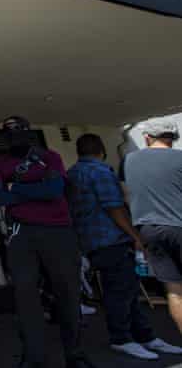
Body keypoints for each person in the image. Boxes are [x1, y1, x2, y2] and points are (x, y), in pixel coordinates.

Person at [0, 115, 93, 368]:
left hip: (58, 231)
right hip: (21, 233)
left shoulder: (49, 157)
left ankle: (75, 355)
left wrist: (13, 188)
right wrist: (33, 188)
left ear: (28, 131)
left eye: (20, 130)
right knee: (25, 297)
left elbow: (54, 190)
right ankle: (34, 357)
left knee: (68, 293)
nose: (15, 135)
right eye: (10, 131)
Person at [68, 133, 182, 360]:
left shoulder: (72, 173)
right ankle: (122, 338)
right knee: (120, 291)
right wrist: (135, 235)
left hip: (90, 240)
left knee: (126, 288)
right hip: (111, 238)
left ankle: (145, 336)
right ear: (101, 150)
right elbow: (114, 207)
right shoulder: (100, 171)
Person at [121, 118, 182, 335]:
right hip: (179, 225)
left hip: (149, 230)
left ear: (147, 138)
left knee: (175, 291)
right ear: (173, 138)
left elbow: (126, 195)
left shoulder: (128, 161)